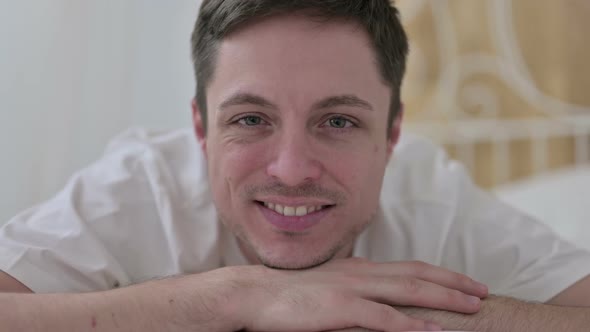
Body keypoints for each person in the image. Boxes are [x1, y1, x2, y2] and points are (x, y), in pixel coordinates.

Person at [1, 1, 590, 331]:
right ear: (201, 129)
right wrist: (239, 295)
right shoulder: (140, 190)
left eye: (338, 122)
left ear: (392, 136)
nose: (290, 170)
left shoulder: (430, 196)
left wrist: (397, 310)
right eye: (251, 119)